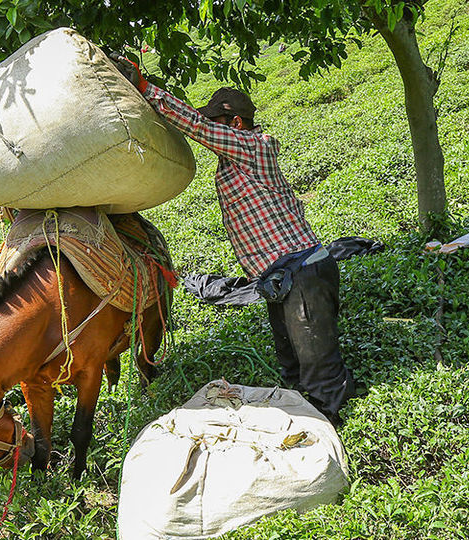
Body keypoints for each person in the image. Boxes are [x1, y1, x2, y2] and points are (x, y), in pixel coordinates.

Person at [112, 56, 356, 425]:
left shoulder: (252, 145)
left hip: (301, 272)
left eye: (217, 122)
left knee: (319, 367)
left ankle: (334, 427)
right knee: (291, 362)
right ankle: (307, 414)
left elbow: (195, 126)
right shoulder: (235, 161)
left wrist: (146, 89)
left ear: (235, 123)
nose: (210, 129)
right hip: (280, 278)